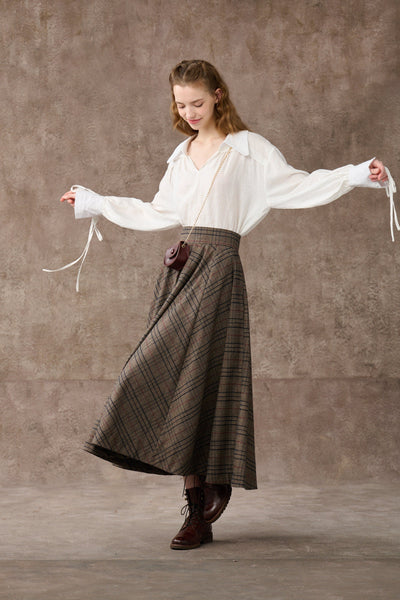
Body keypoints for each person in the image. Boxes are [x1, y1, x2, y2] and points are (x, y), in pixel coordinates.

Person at [57, 59, 396, 551]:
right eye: (180, 105)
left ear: (218, 95)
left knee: (204, 379)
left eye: (197, 102)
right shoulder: (180, 157)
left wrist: (358, 173)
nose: (189, 113)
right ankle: (199, 499)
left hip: (219, 271)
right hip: (179, 271)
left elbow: (298, 185)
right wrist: (95, 202)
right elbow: (157, 211)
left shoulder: (249, 149)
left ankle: (202, 506)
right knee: (166, 377)